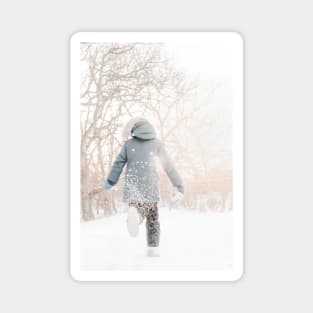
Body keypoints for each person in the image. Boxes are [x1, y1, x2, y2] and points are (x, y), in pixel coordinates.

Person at [103, 118, 184, 257]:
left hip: (133, 183)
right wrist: (179, 185)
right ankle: (153, 248)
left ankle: (137, 215)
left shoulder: (128, 145)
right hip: (150, 184)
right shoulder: (157, 144)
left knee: (137, 206)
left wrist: (110, 181)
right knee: (152, 217)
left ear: (135, 130)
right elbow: (168, 166)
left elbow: (118, 164)